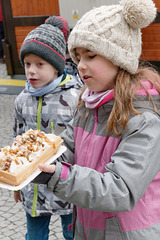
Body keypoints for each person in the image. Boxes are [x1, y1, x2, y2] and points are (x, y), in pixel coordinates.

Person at [33, 0, 160, 239]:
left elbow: (121, 189)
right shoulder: (88, 105)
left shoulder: (144, 119)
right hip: (89, 229)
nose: (80, 65)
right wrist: (31, 159)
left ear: (119, 58)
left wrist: (57, 176)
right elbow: (65, 148)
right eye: (77, 57)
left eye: (90, 55)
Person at [13, 15, 83, 240]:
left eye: (39, 64)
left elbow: (83, 142)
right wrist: (16, 182)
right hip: (33, 187)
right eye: (27, 64)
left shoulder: (75, 98)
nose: (31, 71)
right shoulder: (22, 100)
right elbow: (17, 141)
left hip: (66, 183)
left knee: (72, 234)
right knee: (35, 236)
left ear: (56, 66)